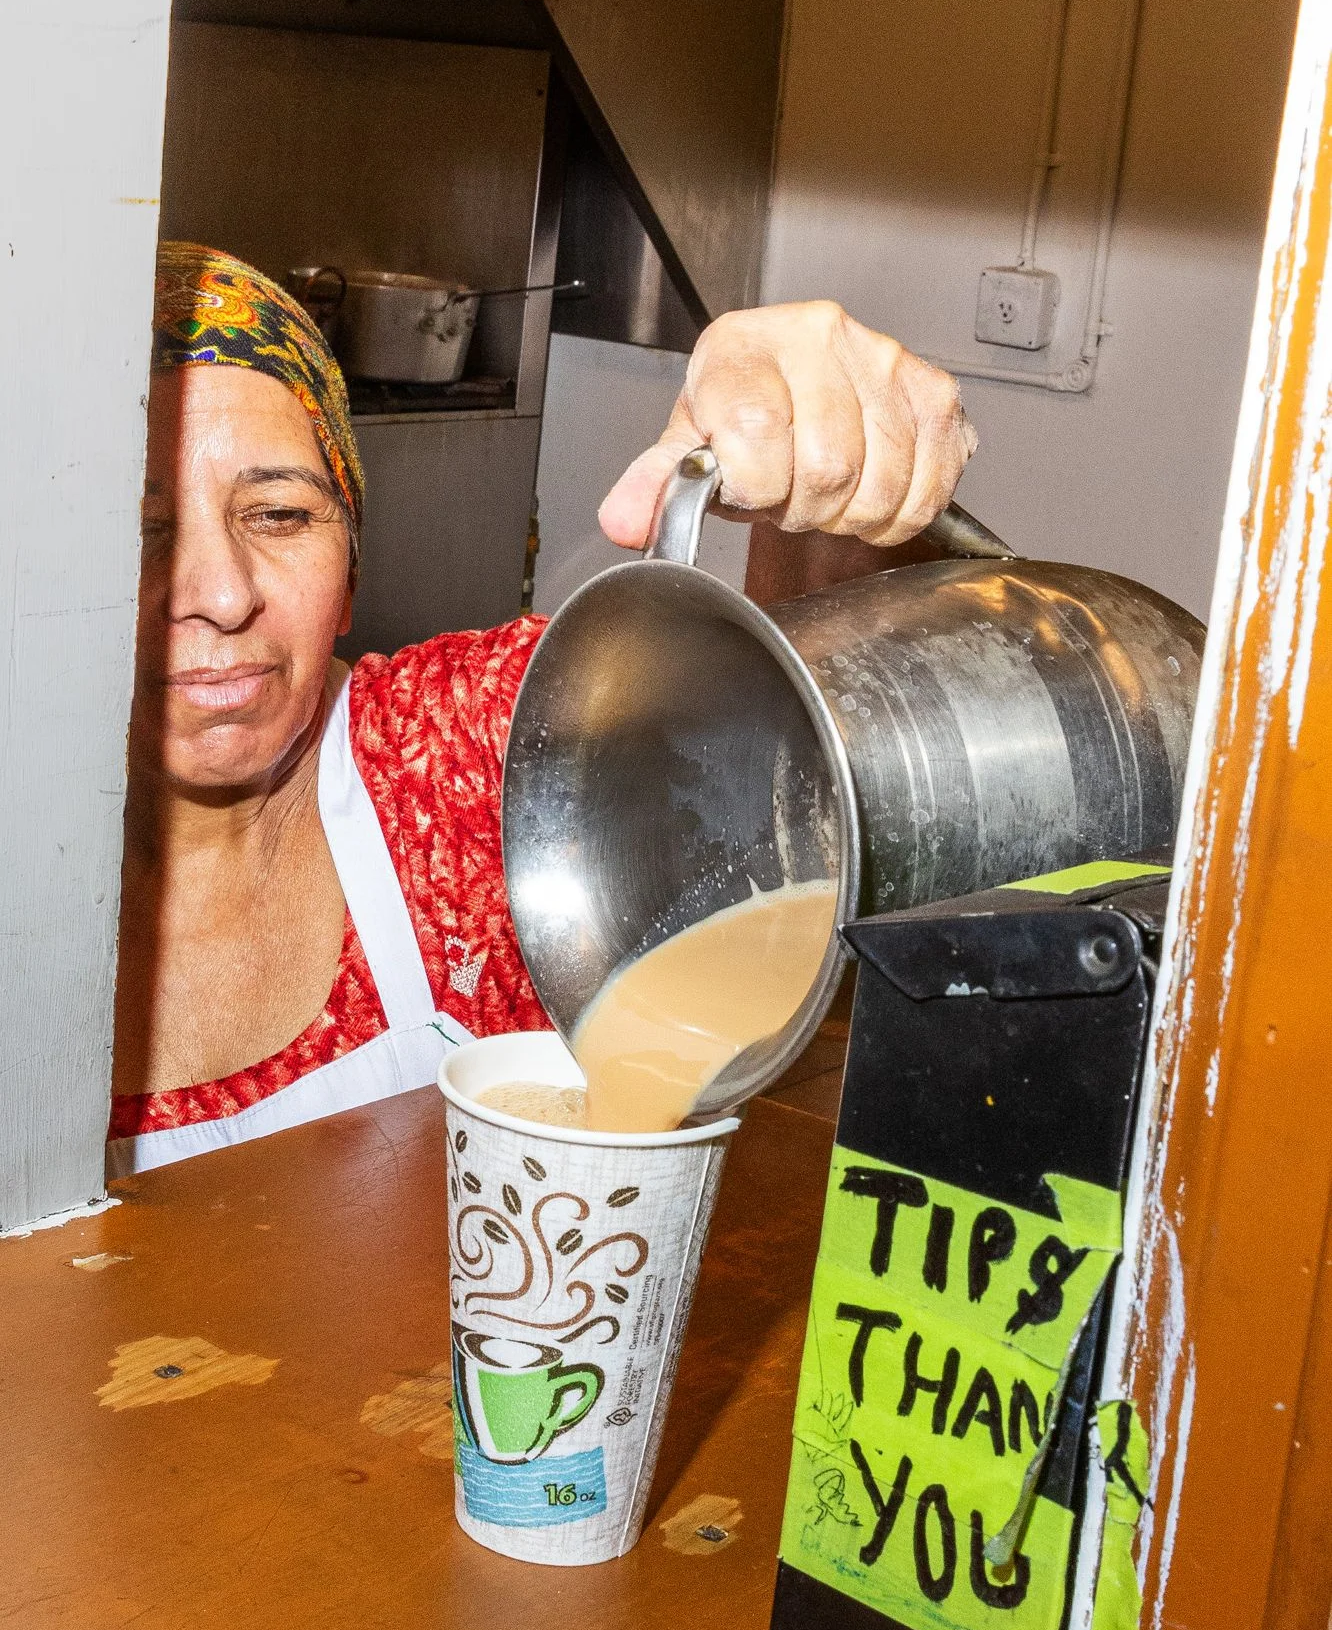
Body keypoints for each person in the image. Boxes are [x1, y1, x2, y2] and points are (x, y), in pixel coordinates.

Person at [108, 244, 975, 1175]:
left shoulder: (478, 752)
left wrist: (835, 481)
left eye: (279, 514)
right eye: (134, 525)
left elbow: (818, 771)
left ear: (350, 570)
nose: (221, 594)